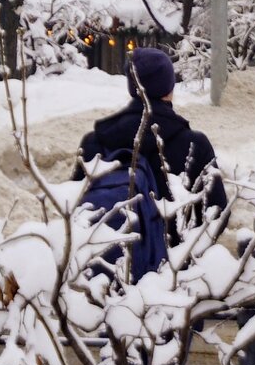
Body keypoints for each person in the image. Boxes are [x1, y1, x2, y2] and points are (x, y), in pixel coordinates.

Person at [73, 47, 228, 243]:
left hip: (104, 263)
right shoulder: (194, 145)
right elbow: (216, 215)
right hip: (173, 268)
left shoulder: (94, 142)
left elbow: (74, 210)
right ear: (169, 88)